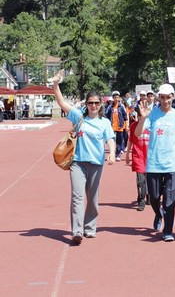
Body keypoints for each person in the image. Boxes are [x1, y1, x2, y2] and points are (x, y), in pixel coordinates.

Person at [52, 72, 116, 245]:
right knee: (77, 196)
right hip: (78, 163)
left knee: (93, 198)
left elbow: (110, 138)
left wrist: (111, 153)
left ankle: (90, 227)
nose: (93, 106)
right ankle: (77, 231)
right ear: (86, 104)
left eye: (96, 103)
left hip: (96, 163)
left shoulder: (104, 122)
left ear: (100, 104)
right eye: (90, 103)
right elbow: (62, 103)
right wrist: (56, 84)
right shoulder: (78, 117)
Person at [135, 84, 175, 242]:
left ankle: (168, 230)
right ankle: (158, 214)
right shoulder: (152, 114)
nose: (165, 101)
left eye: (168, 97)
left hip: (172, 165)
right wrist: (143, 118)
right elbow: (138, 133)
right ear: (159, 98)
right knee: (153, 197)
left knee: (170, 200)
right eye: (162, 97)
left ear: (173, 97)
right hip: (153, 164)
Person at [125, 116, 150, 211]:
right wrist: (127, 154)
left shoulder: (151, 124)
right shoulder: (133, 125)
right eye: (139, 116)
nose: (141, 118)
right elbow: (130, 140)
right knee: (141, 181)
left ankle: (149, 196)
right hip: (138, 156)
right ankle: (141, 200)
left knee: (150, 180)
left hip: (150, 157)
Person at [105, 91, 128, 161]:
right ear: (112, 98)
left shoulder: (121, 106)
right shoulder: (110, 107)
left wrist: (125, 125)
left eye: (117, 97)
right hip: (112, 126)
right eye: (114, 97)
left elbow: (125, 116)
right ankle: (113, 153)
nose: (116, 99)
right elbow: (106, 114)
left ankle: (118, 154)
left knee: (119, 141)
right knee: (112, 140)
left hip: (120, 126)